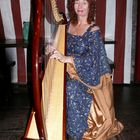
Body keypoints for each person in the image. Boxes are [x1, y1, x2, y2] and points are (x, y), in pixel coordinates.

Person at [46, 0, 124, 139]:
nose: (80, 7)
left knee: (71, 88)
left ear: (90, 6)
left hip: (88, 78)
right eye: (76, 3)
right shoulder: (67, 25)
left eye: (84, 3)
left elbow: (92, 59)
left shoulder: (93, 30)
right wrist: (52, 49)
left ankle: (76, 134)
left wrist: (68, 59)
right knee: (55, 85)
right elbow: (62, 47)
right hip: (69, 71)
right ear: (72, 6)